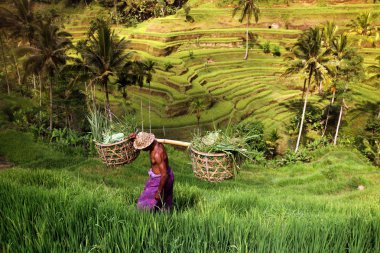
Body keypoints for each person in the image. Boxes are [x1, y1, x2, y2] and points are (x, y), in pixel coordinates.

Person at [130, 131, 174, 211]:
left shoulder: (157, 154)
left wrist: (159, 191)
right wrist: (136, 137)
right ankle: (160, 216)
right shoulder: (155, 143)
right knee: (161, 204)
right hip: (159, 177)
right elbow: (144, 139)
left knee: (143, 206)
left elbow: (164, 174)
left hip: (161, 179)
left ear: (148, 144)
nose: (143, 149)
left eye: (143, 147)